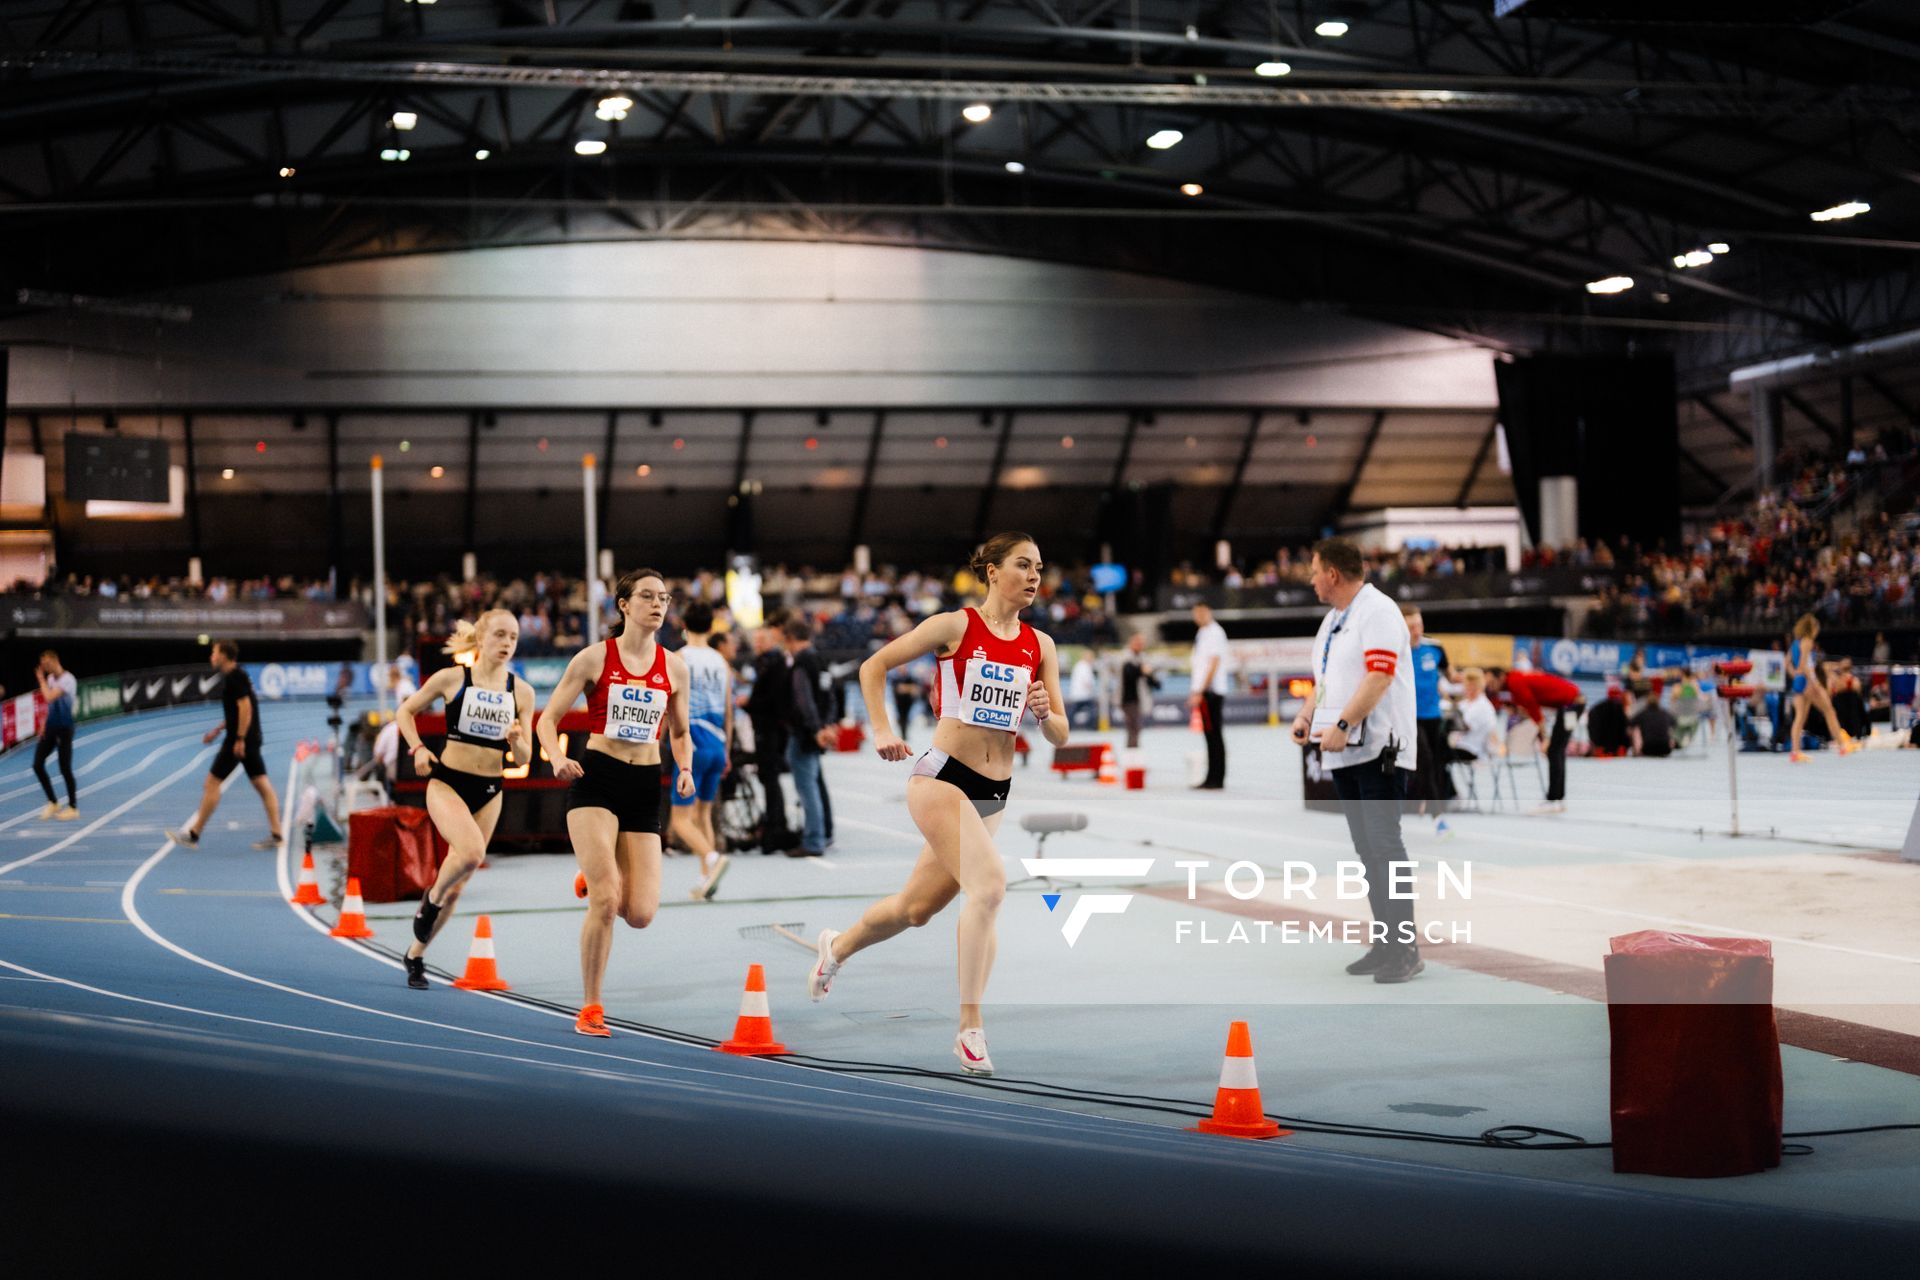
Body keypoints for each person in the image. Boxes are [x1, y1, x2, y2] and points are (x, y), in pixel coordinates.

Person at [807, 532, 1069, 1075]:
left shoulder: (1039, 645)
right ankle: (970, 1028)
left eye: (1040, 567)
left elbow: (1060, 735)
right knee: (991, 887)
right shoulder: (955, 626)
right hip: (941, 778)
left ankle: (836, 947)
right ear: (993, 571)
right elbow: (872, 667)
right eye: (1024, 565)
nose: (1035, 576)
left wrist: (1044, 712)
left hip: (992, 794)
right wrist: (881, 729)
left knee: (915, 910)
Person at [537, 569, 696, 1037]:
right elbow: (548, 720)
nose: (658, 605)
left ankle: (594, 872)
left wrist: (683, 768)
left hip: (646, 782)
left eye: (664, 598)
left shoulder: (675, 667)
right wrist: (556, 757)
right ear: (624, 604)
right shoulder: (593, 659)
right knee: (607, 900)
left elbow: (679, 731)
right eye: (647, 596)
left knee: (640, 913)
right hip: (597, 780)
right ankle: (591, 1008)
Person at [1290, 537, 1422, 984]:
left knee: (1386, 847)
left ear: (1332, 574)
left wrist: (1343, 726)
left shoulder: (1378, 611)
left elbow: (1380, 675)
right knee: (1368, 852)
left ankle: (1405, 948)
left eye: (1313, 571)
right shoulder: (1332, 622)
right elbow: (1324, 681)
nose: (1310, 580)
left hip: (1379, 748)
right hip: (1345, 751)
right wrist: (1307, 715)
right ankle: (1386, 944)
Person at [393, 611, 535, 990]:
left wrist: (517, 739)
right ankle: (432, 895)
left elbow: (525, 759)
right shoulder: (453, 679)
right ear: (482, 638)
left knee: (459, 886)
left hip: (490, 790)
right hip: (448, 783)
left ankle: (415, 954)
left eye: (514, 638)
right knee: (471, 854)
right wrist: (418, 748)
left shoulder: (521, 692)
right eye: (500, 635)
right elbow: (405, 711)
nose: (507, 644)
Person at [167, 640, 284, 850]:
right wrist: (218, 729)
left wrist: (239, 739)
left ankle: (194, 834)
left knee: (212, 783)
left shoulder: (234, 678)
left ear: (224, 655)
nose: (211, 656)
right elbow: (237, 710)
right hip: (249, 737)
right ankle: (277, 835)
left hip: (240, 741)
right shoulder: (238, 675)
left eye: (214, 652)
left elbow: (245, 707)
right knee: (262, 784)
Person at [669, 601, 733, 899]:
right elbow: (729, 709)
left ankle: (711, 858)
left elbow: (671, 703)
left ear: (683, 626)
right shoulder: (721, 662)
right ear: (711, 628)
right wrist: (728, 750)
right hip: (717, 744)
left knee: (680, 820)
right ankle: (706, 878)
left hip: (692, 746)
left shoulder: (679, 658)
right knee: (703, 814)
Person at [1486, 666, 1583, 813]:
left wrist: (1544, 738)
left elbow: (1535, 711)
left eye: (1491, 682)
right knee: (1556, 751)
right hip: (1570, 704)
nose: (1490, 686)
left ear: (1500, 677)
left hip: (1571, 704)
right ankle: (1557, 798)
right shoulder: (1515, 682)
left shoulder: (1515, 682)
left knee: (1554, 751)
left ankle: (1553, 799)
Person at [780, 617, 838, 858]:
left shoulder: (802, 662)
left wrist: (815, 728)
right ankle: (824, 833)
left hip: (805, 733)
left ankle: (813, 840)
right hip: (819, 730)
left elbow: (803, 698)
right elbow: (831, 696)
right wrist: (828, 726)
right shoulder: (821, 660)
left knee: (807, 788)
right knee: (815, 784)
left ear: (790, 638)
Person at [745, 616, 796, 854]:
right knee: (768, 779)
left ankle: (776, 827)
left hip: (771, 729)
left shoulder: (774, 663)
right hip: (766, 727)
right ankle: (775, 824)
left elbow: (773, 699)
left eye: (760, 639)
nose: (756, 643)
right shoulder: (764, 661)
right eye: (754, 640)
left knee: (771, 778)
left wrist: (749, 703)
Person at [1401, 605, 1455, 813]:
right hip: (1410, 717)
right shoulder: (1397, 652)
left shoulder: (1435, 648)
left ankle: (1436, 800)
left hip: (1434, 715)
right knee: (1424, 760)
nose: (1416, 631)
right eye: (1411, 627)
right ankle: (1435, 811)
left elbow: (1451, 676)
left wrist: (1472, 681)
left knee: (1438, 761)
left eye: (1419, 625)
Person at [1786, 614, 1856, 761]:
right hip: (1808, 682)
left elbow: (1787, 664)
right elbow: (1805, 665)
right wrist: (1815, 683)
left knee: (1799, 718)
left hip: (1799, 682)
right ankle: (1842, 746)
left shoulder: (1795, 644)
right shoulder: (1807, 641)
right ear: (1811, 628)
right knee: (1829, 711)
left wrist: (1796, 675)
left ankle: (1795, 752)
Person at [32, 651, 79, 821]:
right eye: (42, 664)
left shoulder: (68, 680)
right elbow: (49, 705)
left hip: (64, 729)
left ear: (54, 660)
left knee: (64, 768)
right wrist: (43, 724)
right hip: (51, 727)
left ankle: (73, 807)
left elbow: (49, 697)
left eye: (45, 663)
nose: (44, 667)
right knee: (37, 764)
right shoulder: (51, 679)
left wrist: (41, 680)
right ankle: (53, 802)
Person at [1189, 602, 1230, 789]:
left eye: (1199, 612)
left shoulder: (1215, 633)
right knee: (1208, 734)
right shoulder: (1202, 633)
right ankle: (1211, 776)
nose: (1197, 617)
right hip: (1204, 691)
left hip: (1211, 691)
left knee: (1214, 734)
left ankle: (1217, 778)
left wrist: (1202, 690)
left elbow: (1213, 663)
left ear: (1207, 611)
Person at [1449, 668, 1500, 766]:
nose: (1467, 689)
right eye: (1466, 685)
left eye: (1470, 686)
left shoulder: (1482, 706)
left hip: (1473, 750)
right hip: (1462, 745)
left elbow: (1463, 726)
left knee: (1435, 752)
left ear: (1478, 686)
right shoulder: (1466, 703)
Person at [1118, 633, 1159, 749]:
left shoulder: (1143, 658)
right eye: (1137, 643)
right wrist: (1142, 670)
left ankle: (1133, 753)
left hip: (1138, 698)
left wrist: (1151, 677)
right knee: (1134, 728)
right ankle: (1132, 755)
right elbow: (1129, 672)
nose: (1140, 646)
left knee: (1135, 728)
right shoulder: (1126, 657)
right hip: (1128, 699)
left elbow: (1150, 676)